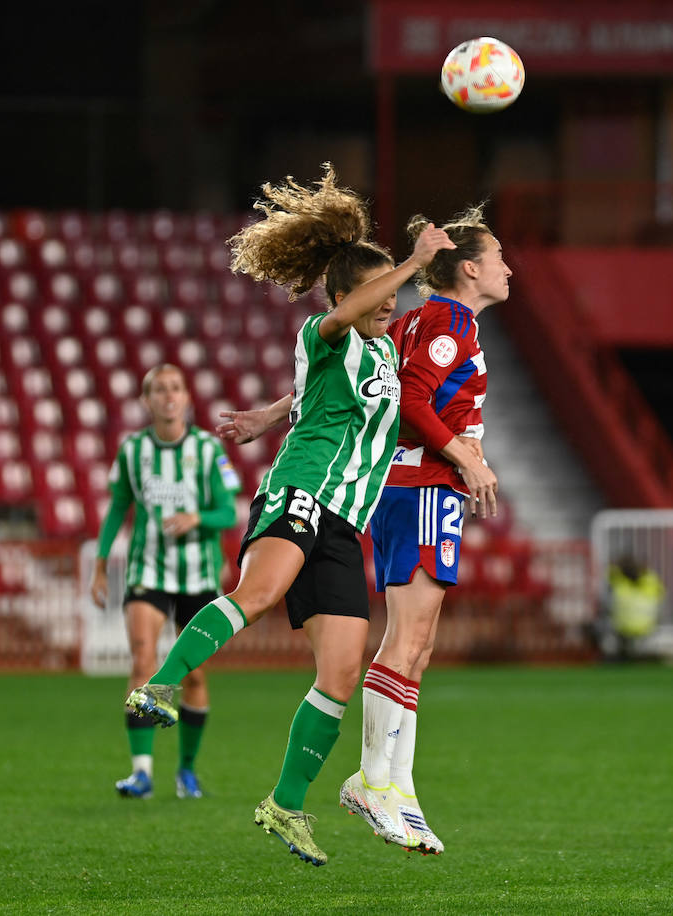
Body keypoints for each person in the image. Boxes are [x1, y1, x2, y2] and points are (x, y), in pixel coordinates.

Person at [124, 164, 455, 867]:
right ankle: (158, 684)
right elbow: (329, 342)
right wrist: (415, 261)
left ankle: (284, 803)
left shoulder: (381, 354)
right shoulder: (325, 329)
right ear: (344, 294)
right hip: (302, 490)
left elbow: (314, 396)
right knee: (260, 592)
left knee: (341, 673)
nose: (390, 305)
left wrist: (264, 416)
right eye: (379, 293)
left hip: (347, 521)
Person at [217, 205, 506, 857]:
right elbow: (409, 400)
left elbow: (368, 379)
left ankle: (394, 785)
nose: (508, 267)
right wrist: (467, 457)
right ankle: (377, 781)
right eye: (498, 256)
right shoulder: (447, 323)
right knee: (408, 641)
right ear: (468, 269)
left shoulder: (410, 323)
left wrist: (272, 411)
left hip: (418, 486)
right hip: (423, 483)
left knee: (417, 644)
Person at [89, 363, 239, 801]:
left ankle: (187, 771)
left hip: (198, 574)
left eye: (175, 388)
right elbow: (117, 508)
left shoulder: (209, 451)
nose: (168, 396)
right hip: (147, 570)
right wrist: (100, 563)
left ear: (187, 397)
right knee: (141, 661)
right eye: (158, 389)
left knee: (193, 675)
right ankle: (141, 773)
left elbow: (229, 513)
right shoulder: (132, 450)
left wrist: (198, 517)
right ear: (146, 400)